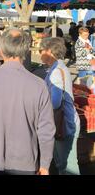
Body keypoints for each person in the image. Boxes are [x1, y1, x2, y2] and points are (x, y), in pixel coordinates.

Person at [0, 28, 55, 175]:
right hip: (24, 162)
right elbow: (46, 131)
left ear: (1, 49)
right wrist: (45, 163)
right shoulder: (39, 85)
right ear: (26, 51)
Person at [39, 37, 80, 175]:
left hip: (64, 123)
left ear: (50, 51)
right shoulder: (57, 68)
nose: (40, 54)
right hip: (63, 122)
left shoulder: (56, 71)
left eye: (41, 50)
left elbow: (55, 103)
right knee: (62, 164)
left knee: (67, 166)